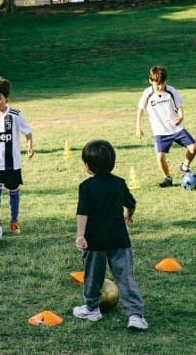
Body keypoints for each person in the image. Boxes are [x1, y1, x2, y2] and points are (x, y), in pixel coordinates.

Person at [73, 139, 148, 330]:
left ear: (88, 166)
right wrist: (128, 216)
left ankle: (92, 309)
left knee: (92, 276)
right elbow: (131, 204)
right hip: (119, 240)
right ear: (113, 162)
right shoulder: (119, 183)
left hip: (94, 241)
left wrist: (80, 235)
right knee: (125, 277)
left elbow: (83, 213)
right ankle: (135, 316)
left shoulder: (86, 187)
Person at [0, 77, 33, 235]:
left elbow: (28, 132)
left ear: (6, 97)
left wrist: (30, 146)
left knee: (13, 191)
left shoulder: (15, 115)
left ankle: (14, 221)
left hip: (12, 163)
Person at [136, 65, 196, 187]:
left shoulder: (171, 91)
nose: (160, 87)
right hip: (160, 131)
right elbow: (140, 110)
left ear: (166, 81)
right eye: (157, 84)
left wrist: (180, 117)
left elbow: (179, 107)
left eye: (162, 83)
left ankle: (184, 167)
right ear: (151, 81)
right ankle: (167, 178)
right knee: (160, 157)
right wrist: (138, 127)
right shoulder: (147, 93)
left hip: (176, 129)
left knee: (194, 147)